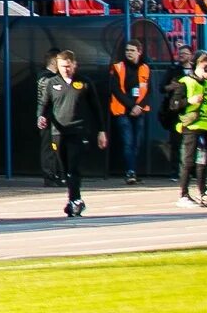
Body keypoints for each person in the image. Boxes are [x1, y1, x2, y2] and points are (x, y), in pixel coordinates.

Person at [35, 48, 104, 217]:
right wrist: (40, 117)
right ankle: (74, 200)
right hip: (58, 132)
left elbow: (96, 108)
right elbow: (43, 104)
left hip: (78, 131)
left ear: (74, 65)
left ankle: (75, 199)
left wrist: (102, 131)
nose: (65, 69)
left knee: (73, 167)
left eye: (68, 66)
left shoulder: (84, 83)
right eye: (62, 66)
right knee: (65, 169)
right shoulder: (52, 83)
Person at [110, 41, 153, 185]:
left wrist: (139, 106)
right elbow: (115, 90)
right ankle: (130, 171)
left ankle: (133, 169)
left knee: (137, 142)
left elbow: (148, 91)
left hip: (139, 111)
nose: (129, 52)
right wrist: (131, 106)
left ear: (139, 51)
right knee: (128, 142)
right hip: (123, 111)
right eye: (127, 50)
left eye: (132, 50)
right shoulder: (118, 67)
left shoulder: (145, 68)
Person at [178, 55, 207, 206]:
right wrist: (189, 101)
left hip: (206, 127)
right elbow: (173, 105)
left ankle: (203, 193)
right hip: (192, 127)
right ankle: (183, 194)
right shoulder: (187, 82)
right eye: (205, 67)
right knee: (188, 161)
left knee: (202, 162)